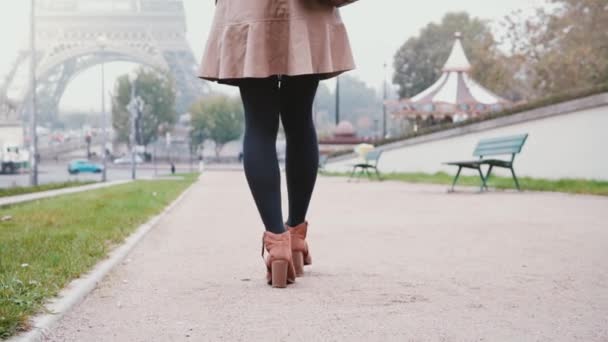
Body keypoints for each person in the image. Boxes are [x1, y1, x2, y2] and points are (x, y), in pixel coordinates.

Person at [199, 0, 355, 288]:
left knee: (258, 125)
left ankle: (276, 240)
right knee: (300, 122)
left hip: (248, 9)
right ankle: (295, 236)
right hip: (306, 10)